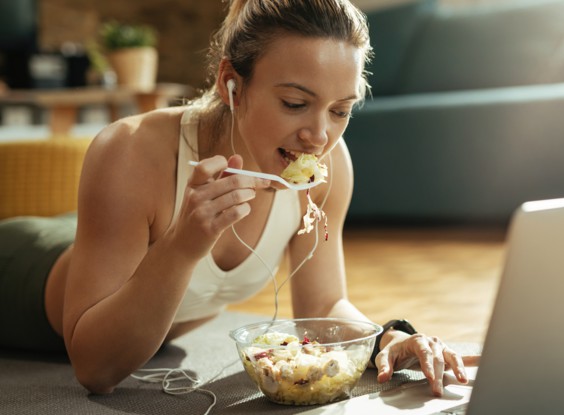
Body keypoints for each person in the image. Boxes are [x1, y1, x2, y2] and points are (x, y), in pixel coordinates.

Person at [0, 0, 470, 397]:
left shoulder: (330, 165)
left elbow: (325, 303)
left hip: (110, 255)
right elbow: (94, 367)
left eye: (341, 110)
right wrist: (184, 243)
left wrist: (387, 335)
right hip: (22, 269)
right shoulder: (131, 150)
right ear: (232, 84)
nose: (319, 136)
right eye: (294, 103)